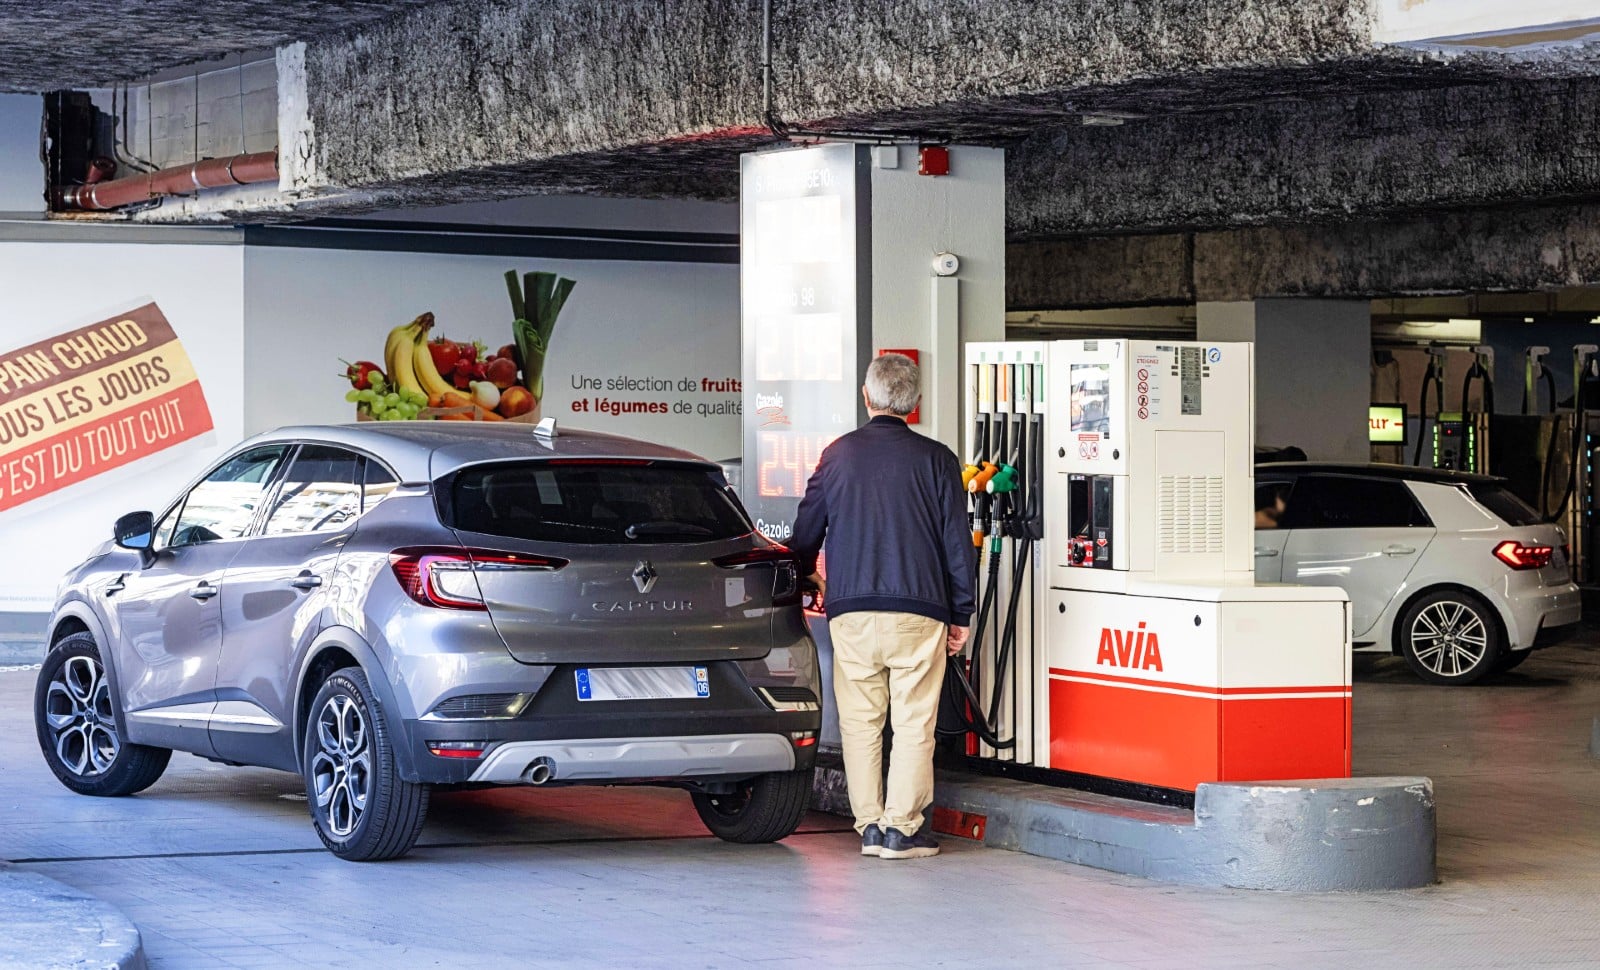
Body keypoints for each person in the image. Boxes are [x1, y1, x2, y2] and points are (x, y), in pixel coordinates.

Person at [790, 353, 976, 861]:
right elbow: (957, 544)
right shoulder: (938, 459)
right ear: (915, 405)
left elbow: (806, 531)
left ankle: (869, 824)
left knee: (860, 720)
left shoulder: (837, 455)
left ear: (866, 398)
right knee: (915, 721)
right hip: (920, 608)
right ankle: (903, 829)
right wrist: (962, 613)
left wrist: (805, 571)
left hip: (850, 609)